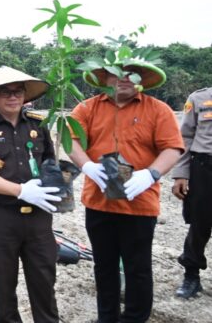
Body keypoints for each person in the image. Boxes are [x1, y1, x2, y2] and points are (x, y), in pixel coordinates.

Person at [67, 61, 183, 322]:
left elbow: (172, 147)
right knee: (104, 266)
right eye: (116, 73)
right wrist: (86, 165)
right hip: (99, 202)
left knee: (138, 268)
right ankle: (106, 317)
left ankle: (134, 318)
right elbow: (71, 140)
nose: (124, 78)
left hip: (139, 202)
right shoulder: (87, 108)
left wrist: (151, 174)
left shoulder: (158, 110)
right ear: (105, 78)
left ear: (141, 79)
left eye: (132, 73)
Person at [0, 66, 61, 323]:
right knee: (3, 286)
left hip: (39, 217)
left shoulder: (39, 124)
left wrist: (58, 188)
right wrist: (20, 191)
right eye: (5, 92)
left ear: (25, 95)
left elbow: (50, 162)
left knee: (44, 282)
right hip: (1, 217)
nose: (12, 97)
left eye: (18, 91)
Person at [170, 86, 212, 299]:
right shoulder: (199, 98)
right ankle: (191, 276)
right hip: (204, 168)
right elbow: (185, 138)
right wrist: (180, 174)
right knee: (199, 223)